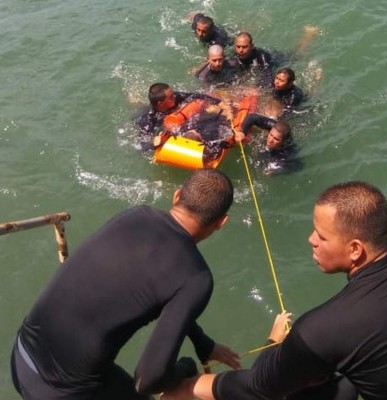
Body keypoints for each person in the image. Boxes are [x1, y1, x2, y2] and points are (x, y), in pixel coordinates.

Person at [161, 180, 387, 400]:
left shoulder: (322, 328)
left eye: (321, 235)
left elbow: (260, 387)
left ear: (354, 249)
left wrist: (190, 387)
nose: (311, 241)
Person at [11, 169, 242, 400]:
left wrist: (203, 343)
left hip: (20, 358)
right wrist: (185, 371)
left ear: (177, 195)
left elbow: (159, 287)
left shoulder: (135, 215)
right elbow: (148, 380)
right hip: (63, 394)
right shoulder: (197, 278)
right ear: (221, 222)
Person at [137, 83, 220, 151]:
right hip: (143, 116)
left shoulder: (176, 97)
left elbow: (198, 96)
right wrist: (153, 145)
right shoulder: (150, 118)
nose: (175, 96)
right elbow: (141, 144)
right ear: (160, 103)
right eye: (171, 97)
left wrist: (219, 103)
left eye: (173, 94)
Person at [235, 113, 302, 175]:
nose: (270, 140)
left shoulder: (287, 151)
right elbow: (252, 117)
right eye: (270, 135)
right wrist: (243, 132)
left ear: (283, 142)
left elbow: (295, 166)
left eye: (276, 139)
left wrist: (275, 171)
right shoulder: (273, 126)